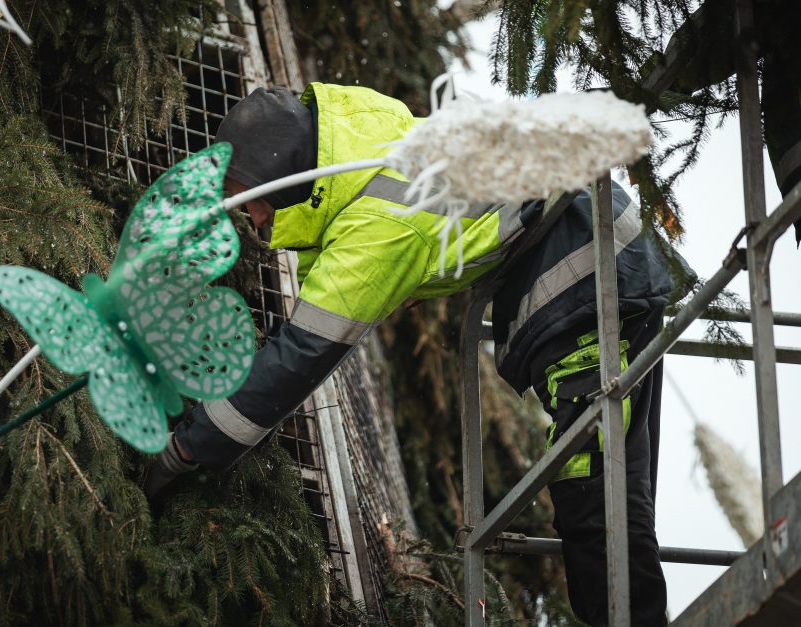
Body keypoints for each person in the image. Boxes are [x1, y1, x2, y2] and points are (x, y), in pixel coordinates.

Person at [145, 82, 687, 626]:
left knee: (593, 484)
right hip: (599, 269)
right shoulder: (368, 143)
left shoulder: (379, 226)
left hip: (582, 289)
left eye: (251, 199)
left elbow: (300, 357)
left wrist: (188, 450)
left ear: (278, 175)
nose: (254, 222)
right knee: (613, 479)